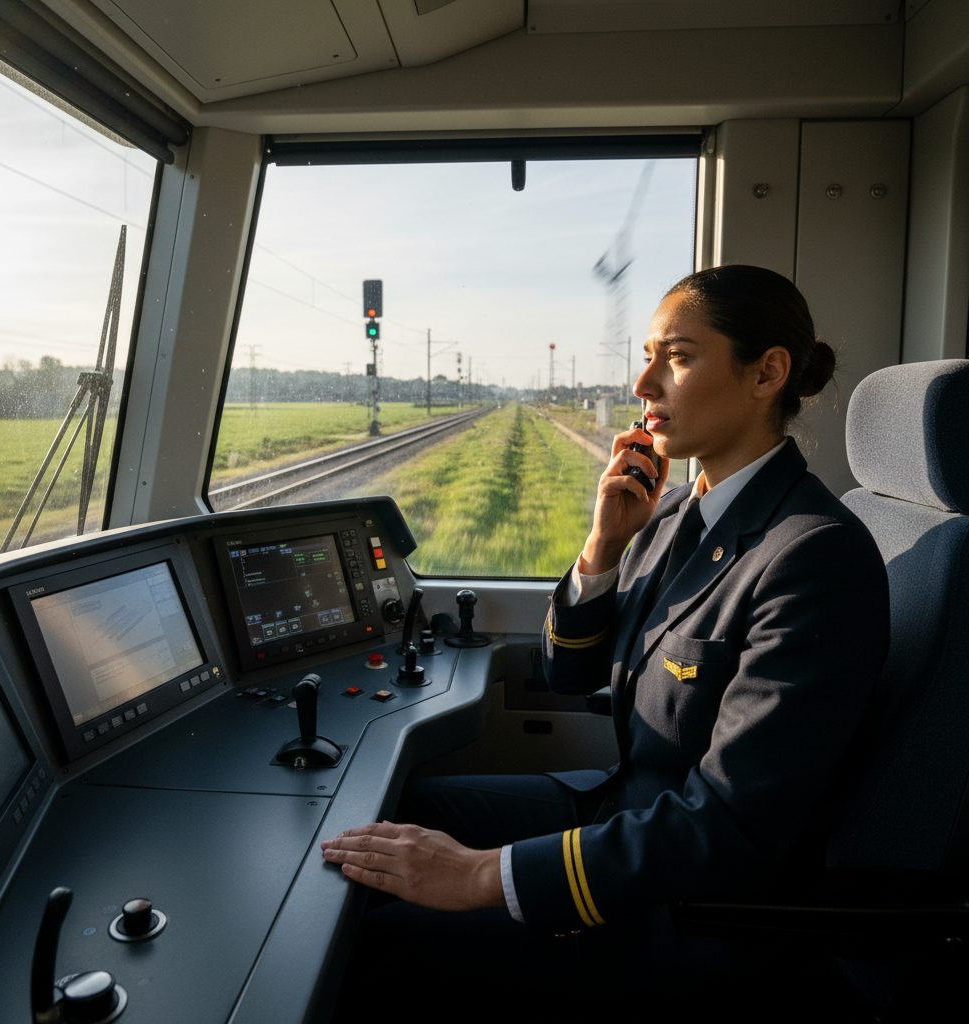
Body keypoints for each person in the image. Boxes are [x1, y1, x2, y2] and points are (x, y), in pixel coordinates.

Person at [321, 266, 890, 1018]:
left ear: (767, 373)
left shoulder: (812, 556)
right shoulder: (677, 510)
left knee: (376, 942)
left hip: (692, 907)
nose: (643, 382)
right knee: (399, 816)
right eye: (648, 355)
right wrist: (603, 549)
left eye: (678, 357)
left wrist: (481, 876)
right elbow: (566, 671)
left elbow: (729, 826)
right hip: (626, 814)